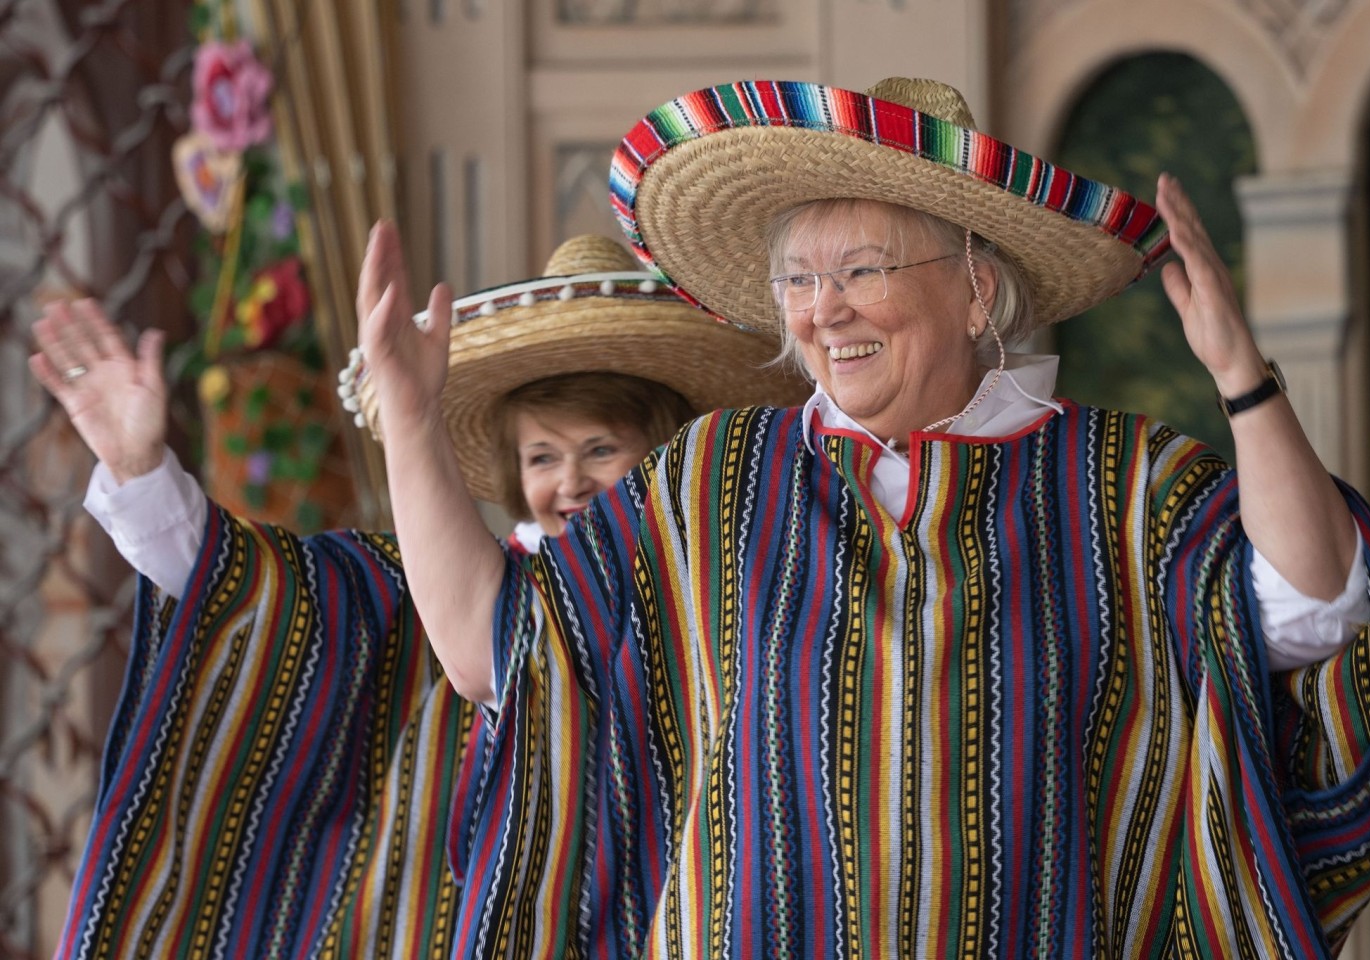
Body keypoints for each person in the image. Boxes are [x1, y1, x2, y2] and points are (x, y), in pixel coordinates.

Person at [357, 78, 1370, 957]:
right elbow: (495, 654)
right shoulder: (714, 479)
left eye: (864, 271)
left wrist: (1242, 382)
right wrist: (408, 420)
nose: (826, 309)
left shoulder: (1119, 484)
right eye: (800, 280)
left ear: (975, 294)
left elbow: (1315, 608)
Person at [33, 234, 808, 958]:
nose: (569, 481)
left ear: (666, 456)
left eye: (600, 448)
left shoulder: (724, 605)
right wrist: (140, 468)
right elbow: (247, 590)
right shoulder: (414, 596)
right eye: (542, 455)